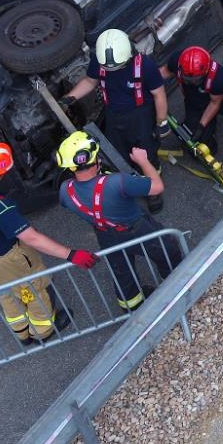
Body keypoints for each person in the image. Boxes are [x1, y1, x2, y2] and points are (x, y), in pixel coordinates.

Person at [0, 143, 97, 344]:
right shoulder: (0, 208)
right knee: (35, 291)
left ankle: (21, 332)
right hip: (7, 259)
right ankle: (42, 332)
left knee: (5, 292)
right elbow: (31, 238)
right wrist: (71, 254)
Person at [55, 131, 184, 312]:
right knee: (167, 251)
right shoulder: (117, 182)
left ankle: (133, 306)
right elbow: (157, 187)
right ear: (94, 159)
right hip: (138, 230)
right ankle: (178, 285)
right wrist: (143, 160)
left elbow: (84, 196)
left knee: (122, 272)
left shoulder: (64, 191)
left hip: (106, 235)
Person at [63, 28, 169, 208]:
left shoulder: (144, 65)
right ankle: (126, 185)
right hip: (113, 115)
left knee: (147, 155)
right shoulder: (100, 60)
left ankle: (151, 191)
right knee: (117, 154)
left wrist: (161, 122)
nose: (110, 70)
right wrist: (70, 98)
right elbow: (90, 81)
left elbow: (159, 94)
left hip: (140, 116)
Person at [161, 45, 223, 171]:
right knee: (194, 144)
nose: (191, 81)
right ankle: (209, 138)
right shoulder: (178, 59)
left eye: (195, 79)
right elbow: (164, 72)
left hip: (219, 98)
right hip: (195, 100)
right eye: (187, 78)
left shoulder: (218, 77)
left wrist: (201, 126)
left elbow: (214, 103)